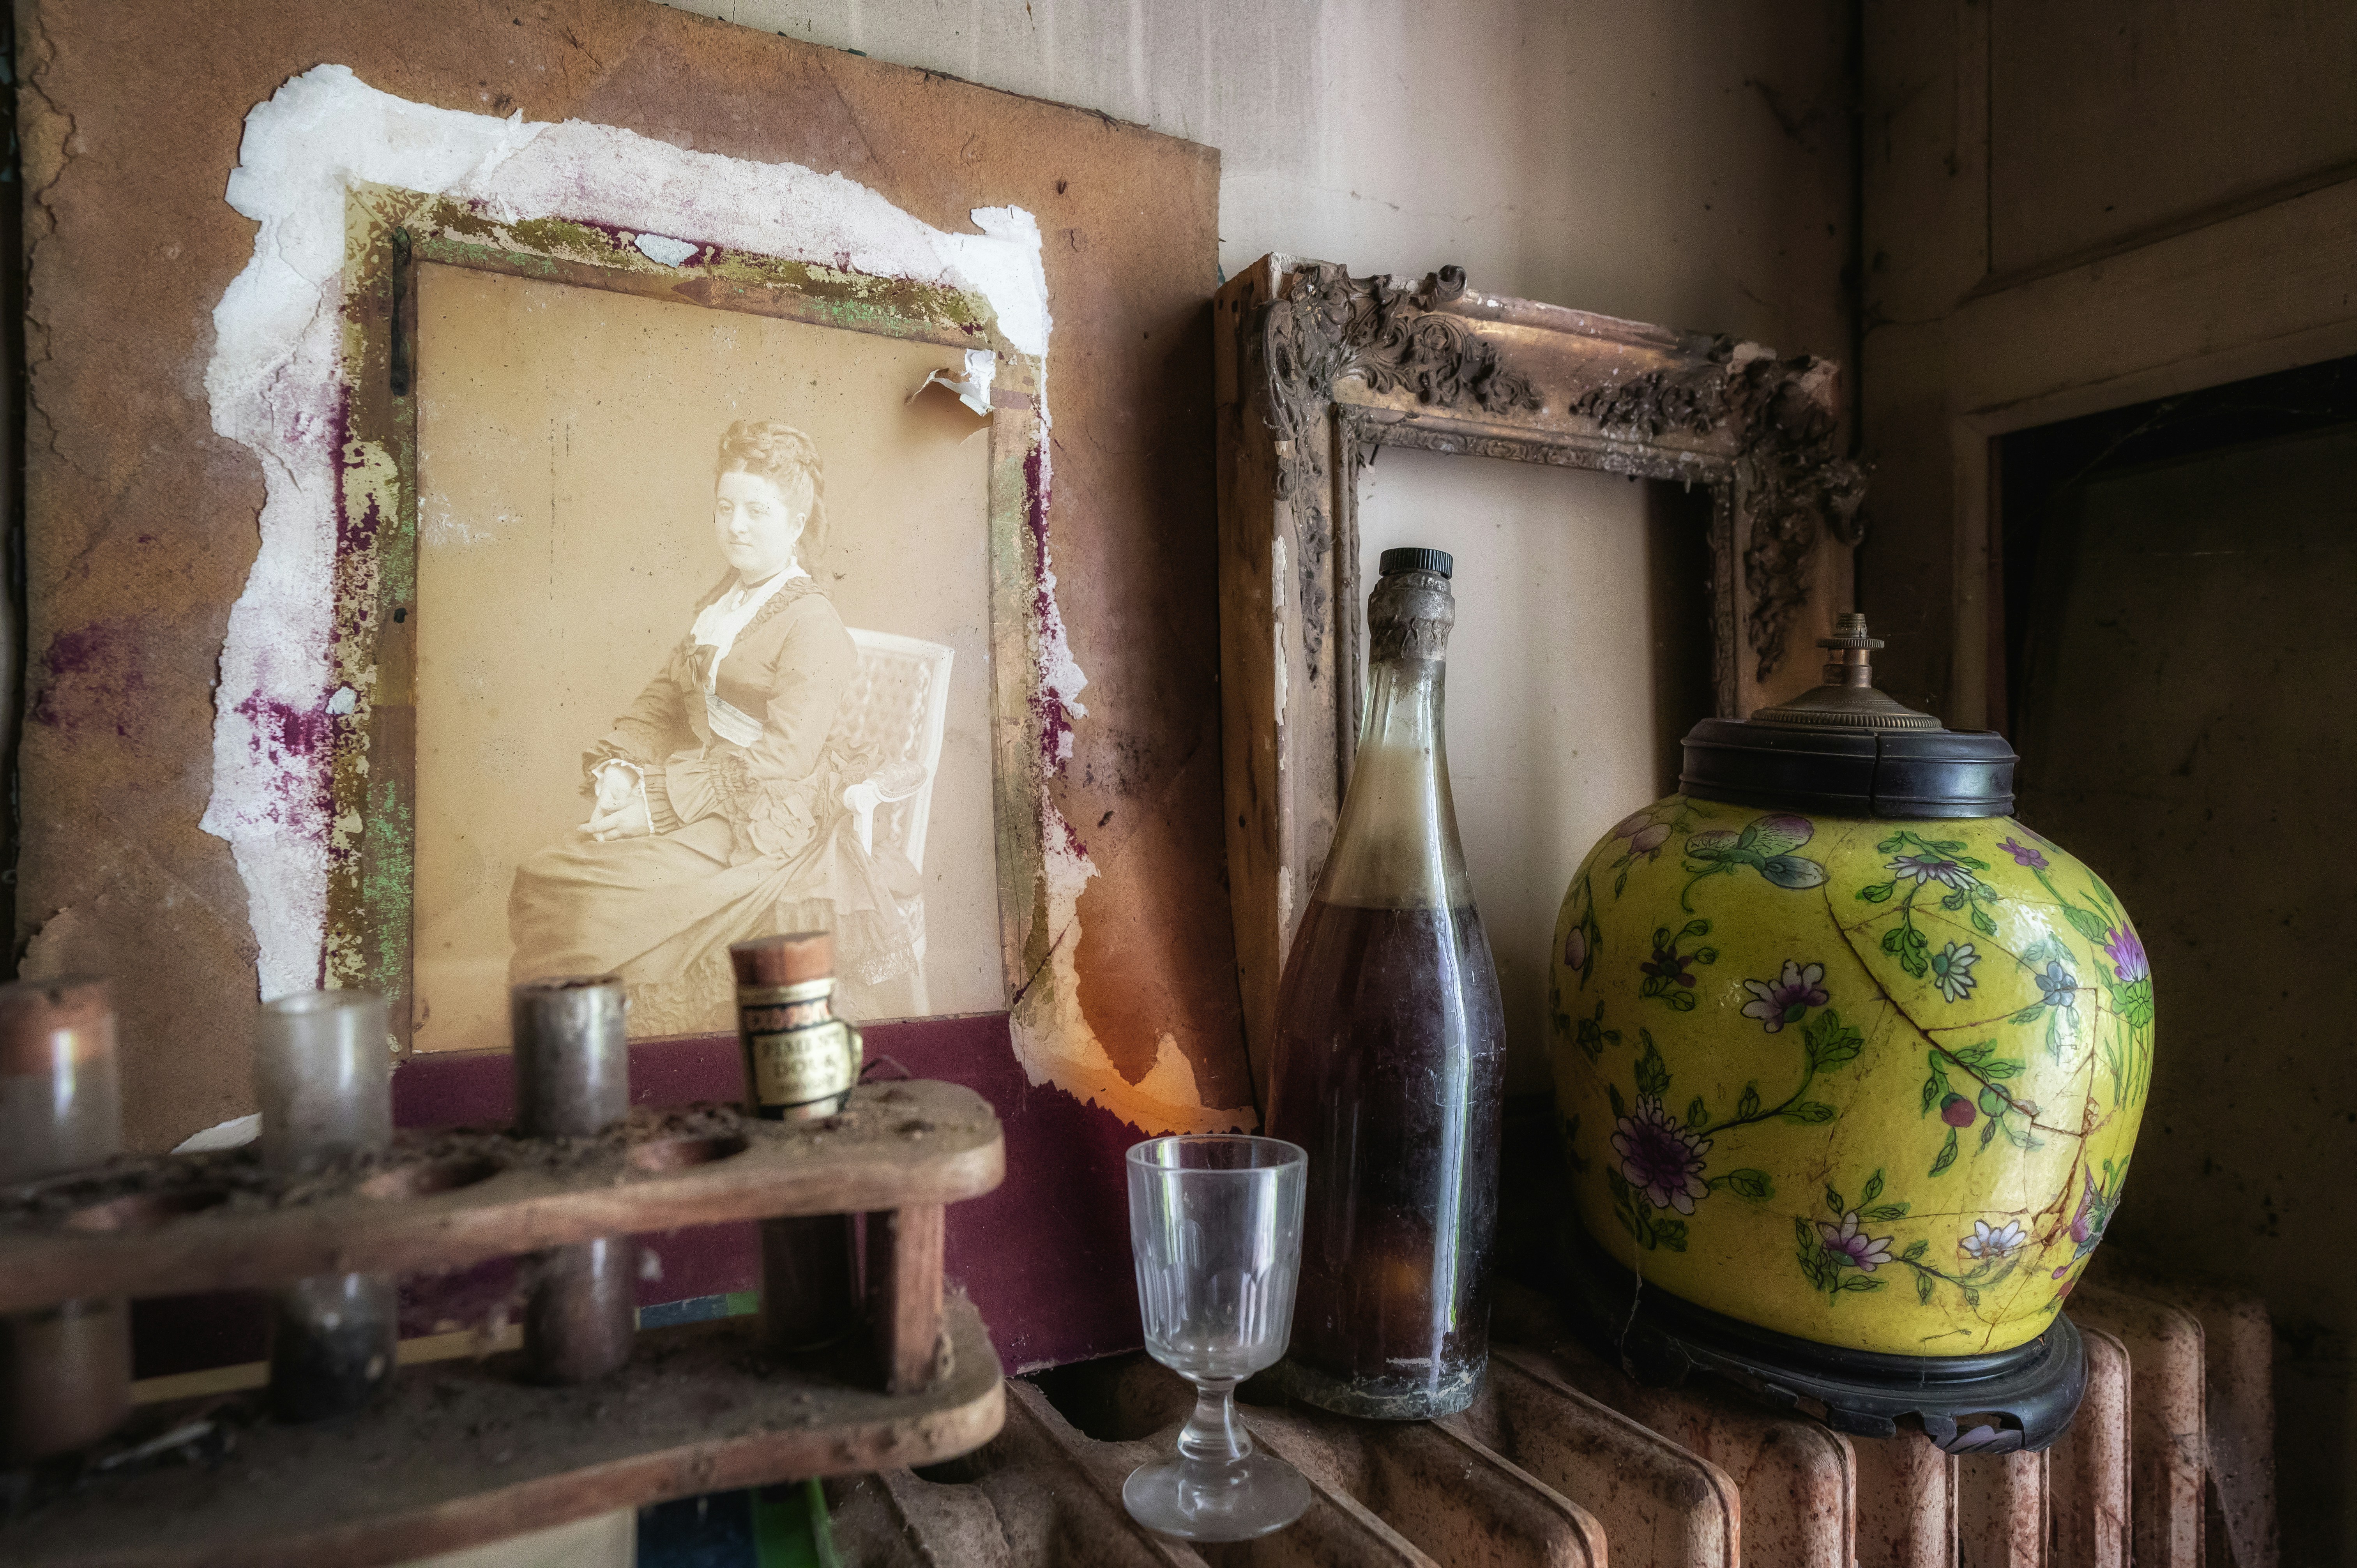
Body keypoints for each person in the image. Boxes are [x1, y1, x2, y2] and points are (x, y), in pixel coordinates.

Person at [507, 420, 922, 1034]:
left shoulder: (814, 623)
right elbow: (666, 700)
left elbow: (783, 762)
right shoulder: (725, 602)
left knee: (586, 904)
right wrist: (621, 769)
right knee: (550, 874)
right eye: (725, 508)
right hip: (708, 799)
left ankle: (637, 1063)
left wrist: (660, 803)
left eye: (758, 510)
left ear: (797, 521)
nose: (737, 525)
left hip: (769, 825)